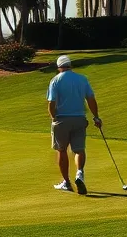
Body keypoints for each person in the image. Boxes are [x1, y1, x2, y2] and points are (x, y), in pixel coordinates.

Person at [46, 54, 108, 194]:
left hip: (61, 119)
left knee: (61, 150)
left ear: (59, 67)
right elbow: (90, 99)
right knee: (79, 149)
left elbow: (51, 103)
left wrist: (53, 118)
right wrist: (96, 117)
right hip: (80, 119)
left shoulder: (55, 80)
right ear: (70, 66)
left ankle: (66, 183)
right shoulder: (82, 79)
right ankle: (79, 173)